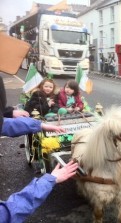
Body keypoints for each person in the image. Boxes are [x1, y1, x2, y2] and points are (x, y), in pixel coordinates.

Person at [0, 76, 78, 223]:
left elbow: (5, 125)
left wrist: (10, 113)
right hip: (40, 116)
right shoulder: (37, 95)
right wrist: (48, 181)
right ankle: (41, 160)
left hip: (43, 120)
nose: (48, 89)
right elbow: (7, 213)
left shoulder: (59, 96)